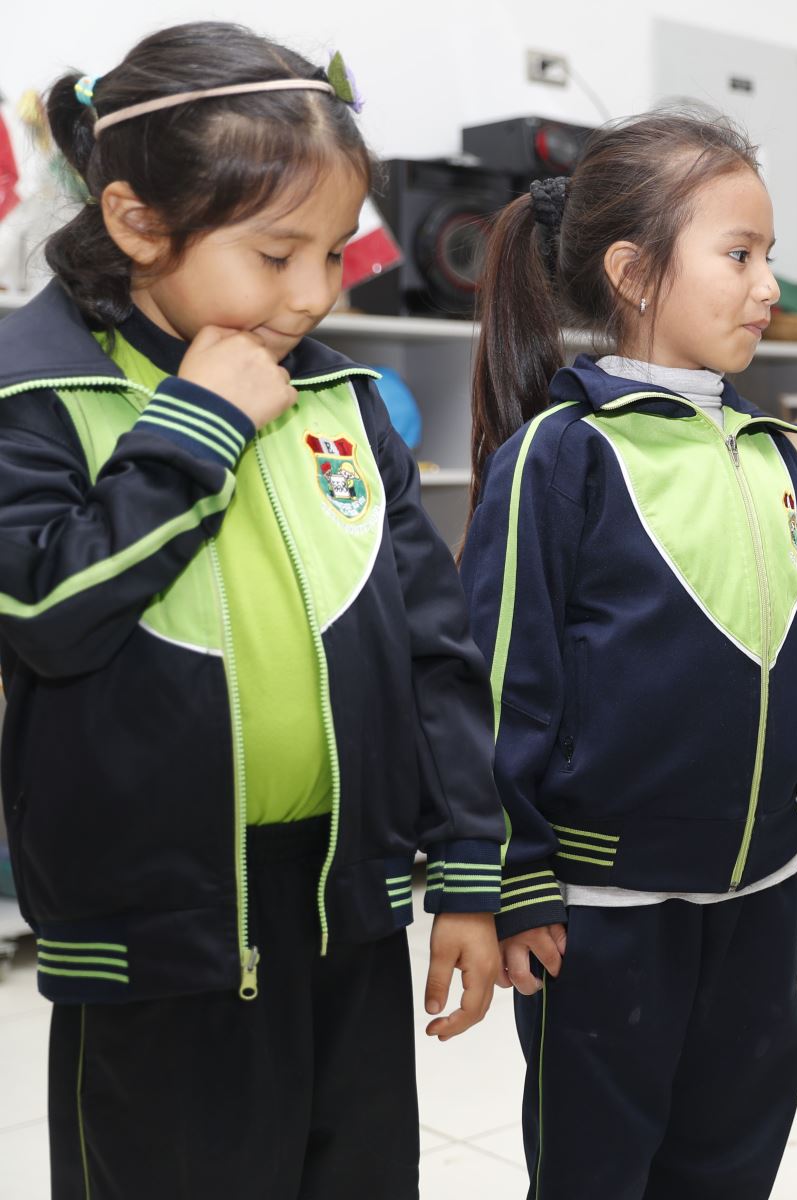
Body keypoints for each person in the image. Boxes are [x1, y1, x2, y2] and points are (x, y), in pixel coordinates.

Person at [0, 23, 503, 1198]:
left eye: (334, 255)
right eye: (276, 255)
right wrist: (194, 426)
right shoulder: (33, 388)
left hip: (349, 908)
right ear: (136, 221)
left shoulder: (338, 395)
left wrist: (472, 865)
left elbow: (433, 646)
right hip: (154, 934)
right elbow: (43, 608)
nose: (313, 295)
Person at [459, 108, 797, 1200]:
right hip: (601, 913)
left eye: (769, 254)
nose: (768, 284)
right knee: (597, 1164)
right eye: (739, 254)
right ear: (633, 272)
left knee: (735, 1146)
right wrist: (517, 869)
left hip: (760, 895)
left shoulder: (775, 454)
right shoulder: (562, 455)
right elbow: (500, 680)